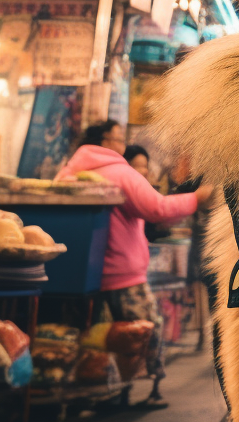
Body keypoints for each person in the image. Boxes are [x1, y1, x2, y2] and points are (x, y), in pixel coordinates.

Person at [56, 120, 213, 406]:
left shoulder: (67, 173)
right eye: (118, 139)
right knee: (145, 329)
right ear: (104, 141)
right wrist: (197, 199)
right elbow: (158, 208)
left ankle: (91, 391)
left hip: (79, 275)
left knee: (88, 336)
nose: (122, 145)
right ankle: (150, 388)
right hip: (123, 273)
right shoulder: (120, 173)